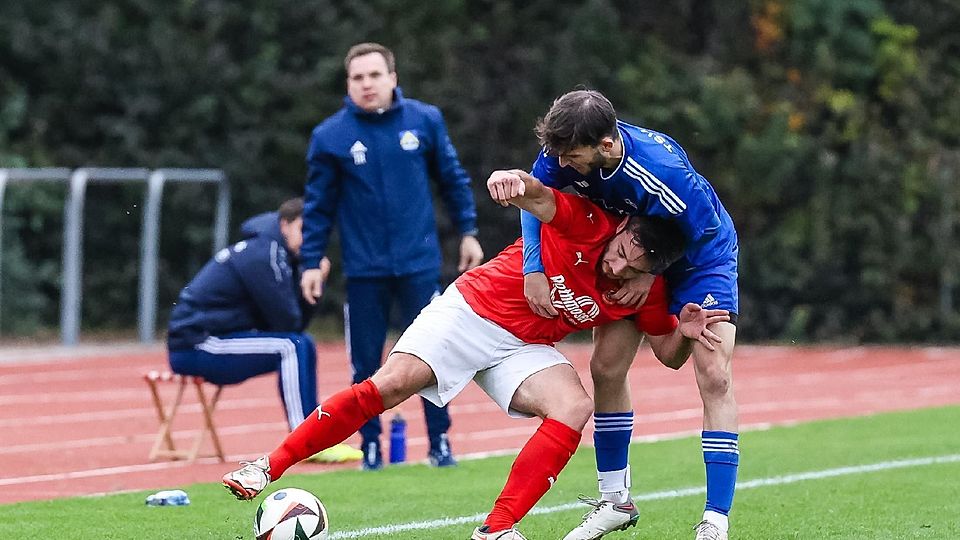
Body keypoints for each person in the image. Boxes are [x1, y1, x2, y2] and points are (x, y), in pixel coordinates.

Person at [222, 171, 730, 540]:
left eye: (630, 267)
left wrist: (685, 332)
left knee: (574, 407)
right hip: (471, 310)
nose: (615, 265)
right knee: (389, 386)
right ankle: (268, 466)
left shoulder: (645, 291)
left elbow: (667, 354)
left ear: (651, 271)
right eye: (620, 251)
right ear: (622, 228)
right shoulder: (590, 222)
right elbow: (542, 195)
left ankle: (496, 529)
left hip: (524, 344)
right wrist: (515, 180)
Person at [495, 89, 740, 540]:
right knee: (606, 367)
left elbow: (698, 232)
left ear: (605, 146)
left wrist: (651, 273)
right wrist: (534, 267)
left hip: (698, 255)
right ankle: (615, 501)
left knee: (713, 371)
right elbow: (534, 197)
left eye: (573, 157)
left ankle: (715, 521)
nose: (563, 164)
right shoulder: (565, 148)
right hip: (630, 253)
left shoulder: (663, 174)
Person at [297, 42, 484, 470]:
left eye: (374, 75)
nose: (367, 84)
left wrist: (468, 232)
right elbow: (317, 206)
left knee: (434, 356)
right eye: (358, 77)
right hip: (364, 271)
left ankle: (440, 444)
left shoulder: (425, 120)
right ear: (348, 84)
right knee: (366, 364)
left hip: (419, 265)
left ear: (392, 78)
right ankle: (371, 446)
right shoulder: (330, 136)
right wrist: (311, 261)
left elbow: (452, 180)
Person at [167, 198, 361, 464]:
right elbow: (287, 321)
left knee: (300, 343)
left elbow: (292, 324)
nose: (310, 238)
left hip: (216, 337)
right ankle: (307, 440)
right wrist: (312, 278)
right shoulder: (265, 254)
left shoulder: (278, 254)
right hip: (197, 343)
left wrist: (315, 283)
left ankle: (314, 436)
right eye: (304, 229)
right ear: (284, 225)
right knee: (292, 346)